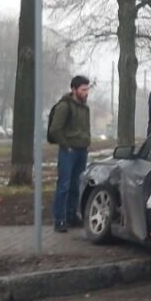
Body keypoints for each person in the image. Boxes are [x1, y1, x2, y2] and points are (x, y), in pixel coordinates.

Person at [48, 75, 92, 233]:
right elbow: (55, 129)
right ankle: (59, 219)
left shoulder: (85, 107)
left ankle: (71, 215)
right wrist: (66, 145)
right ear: (74, 90)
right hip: (69, 151)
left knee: (76, 185)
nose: (86, 92)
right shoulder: (64, 106)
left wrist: (86, 142)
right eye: (83, 90)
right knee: (64, 185)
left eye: (88, 89)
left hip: (82, 150)